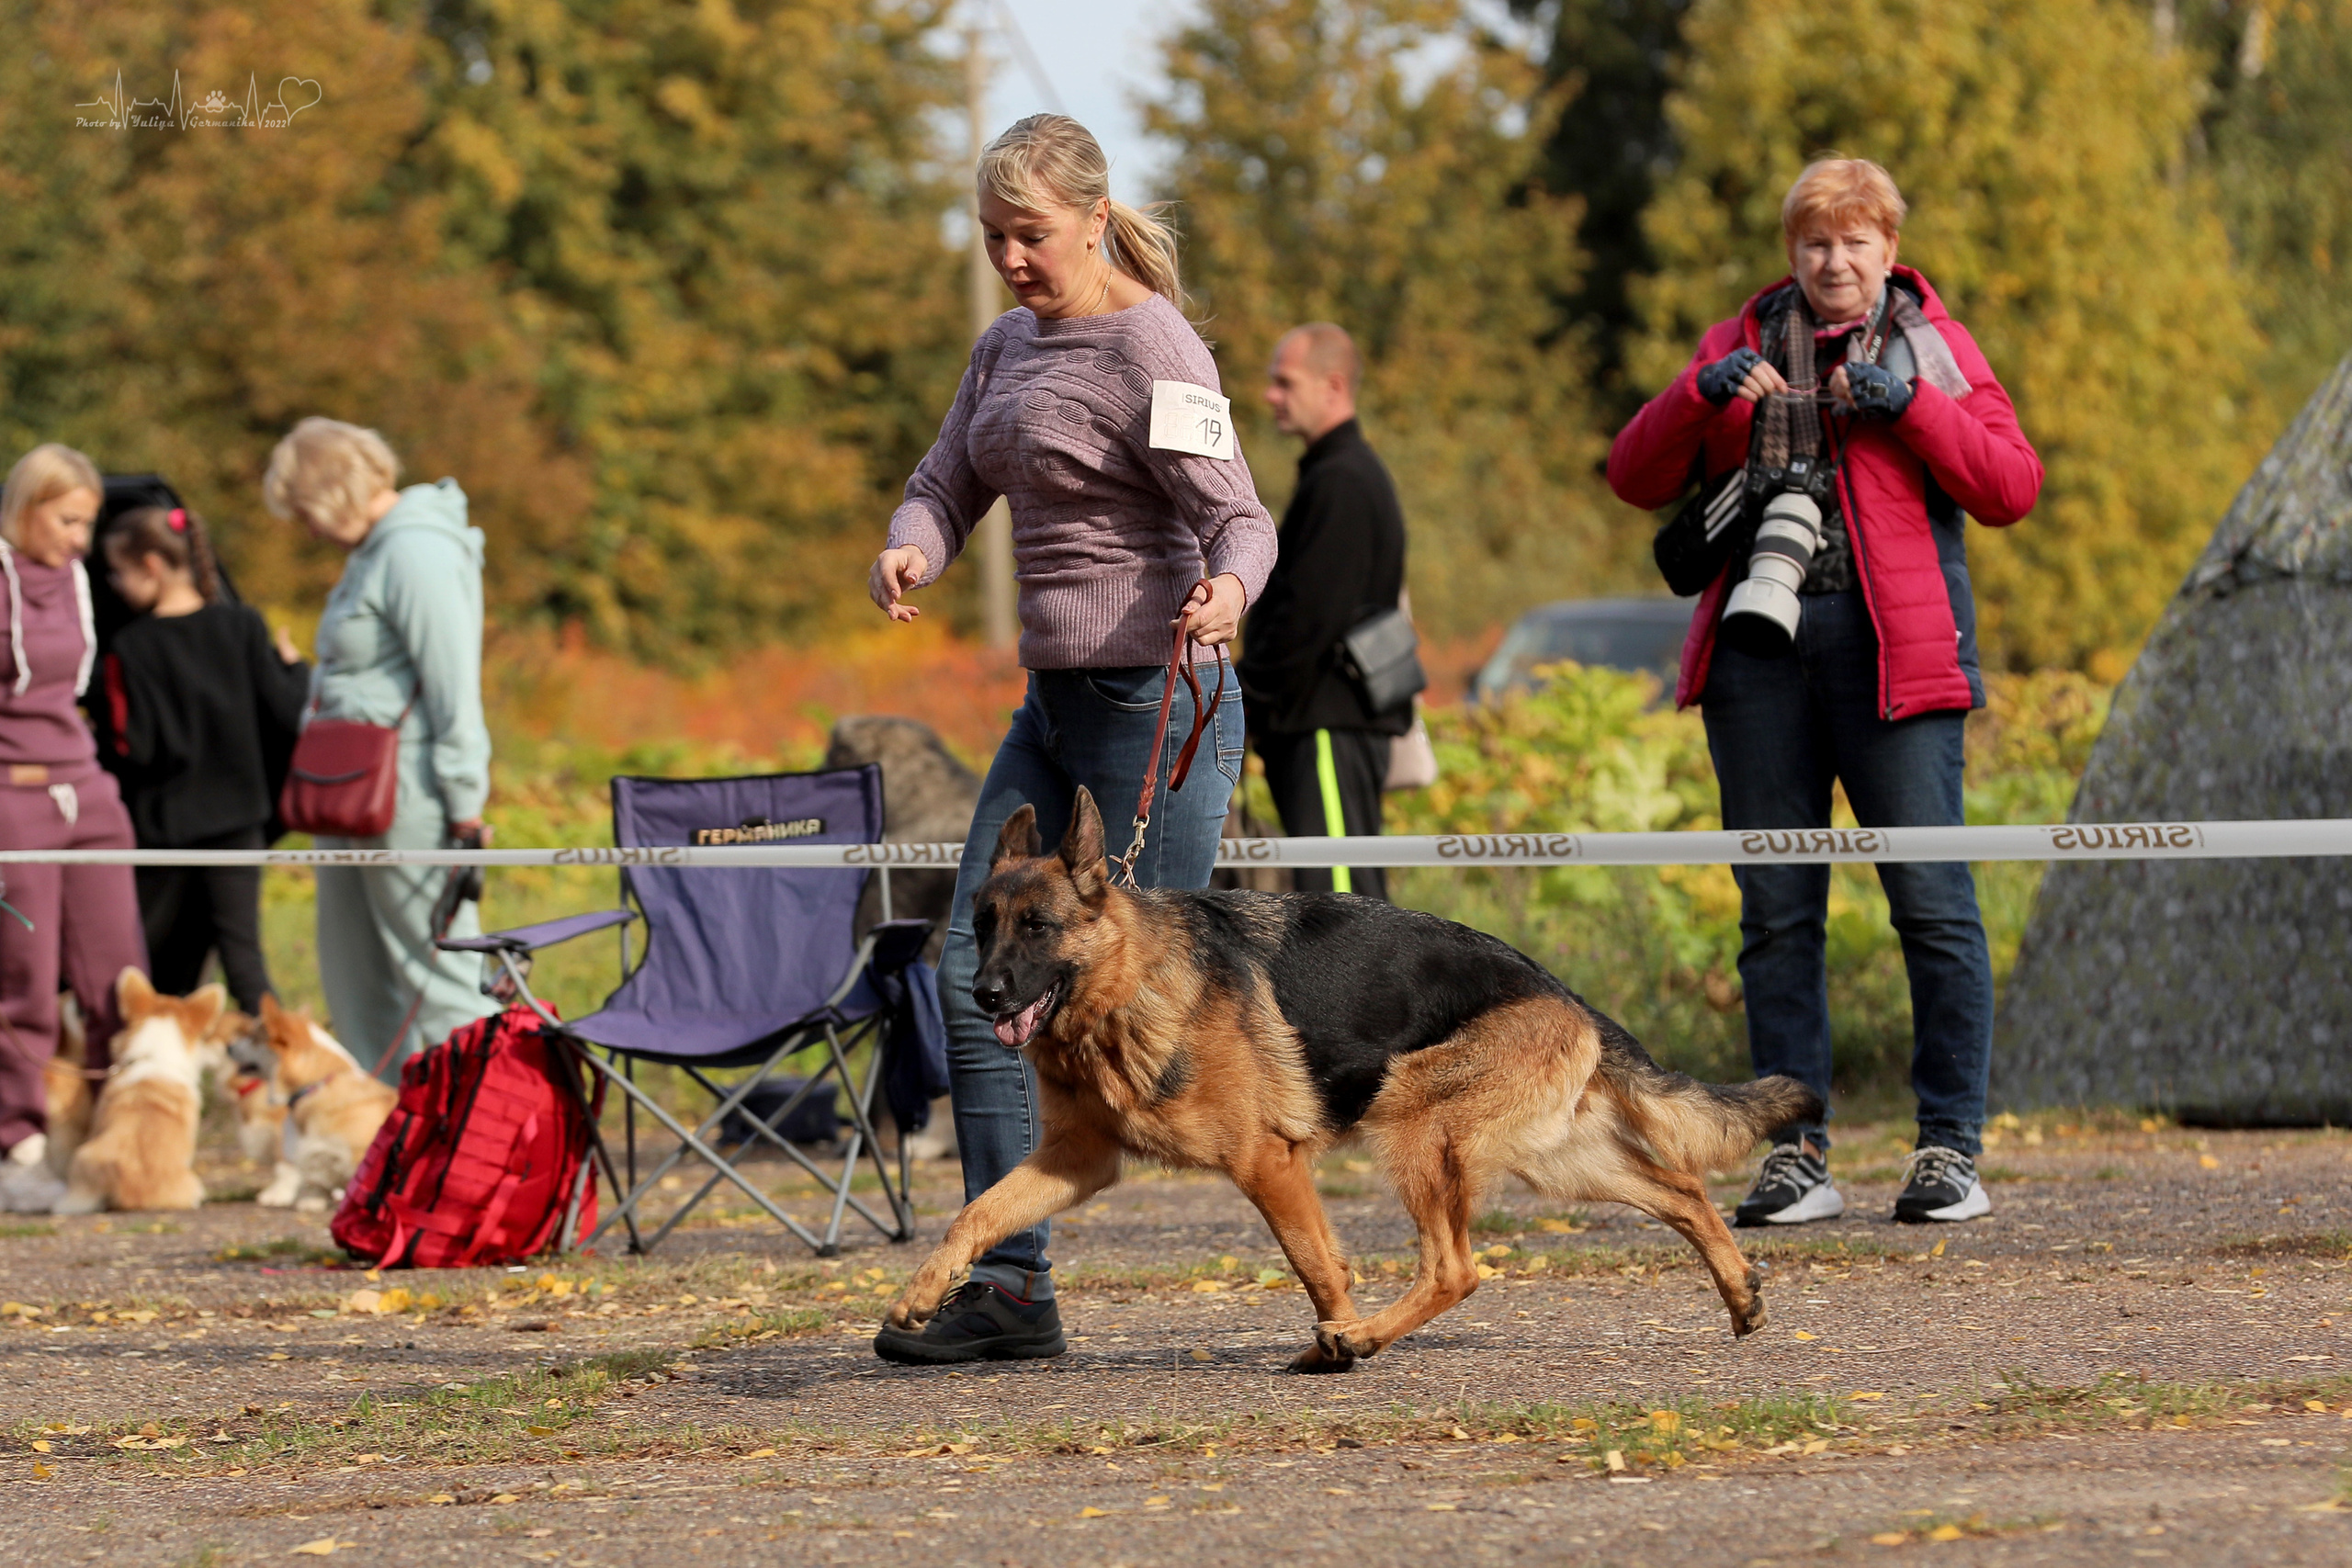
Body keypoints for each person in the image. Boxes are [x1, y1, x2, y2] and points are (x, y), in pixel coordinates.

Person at [865, 114, 1275, 1363]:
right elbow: (946, 478)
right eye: (993, 238)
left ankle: (1321, 1166)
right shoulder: (1002, 347)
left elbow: (1241, 518)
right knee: (977, 972)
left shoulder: (1155, 342)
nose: (1011, 260)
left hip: (1154, 703)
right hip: (1049, 705)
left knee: (1168, 1000)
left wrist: (1230, 592)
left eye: (1030, 235)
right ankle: (1011, 1283)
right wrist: (913, 543)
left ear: (1095, 219)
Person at [1608, 158, 2043, 1226]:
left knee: (1934, 909)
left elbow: (2009, 486)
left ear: (1888, 249)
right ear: (1790, 251)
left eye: (1854, 241)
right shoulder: (1737, 340)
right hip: (1759, 654)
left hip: (1896, 657)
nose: (1832, 260)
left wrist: (1912, 409)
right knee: (1774, 913)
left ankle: (1949, 1149)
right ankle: (1793, 1155)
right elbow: (1632, 475)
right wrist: (1693, 396)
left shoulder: (1931, 346)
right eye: (1813, 241)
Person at [261, 418, 496, 1074]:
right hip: (348, 797)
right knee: (358, 984)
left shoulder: (417, 550)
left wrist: (464, 802)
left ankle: (487, 1145)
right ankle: (390, 1143)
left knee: (441, 981)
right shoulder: (372, 553)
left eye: (305, 510)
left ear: (333, 490)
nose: (306, 530)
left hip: (410, 793)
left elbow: (453, 685)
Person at [0, 444, 149, 1213]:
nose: (80, 539)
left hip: (88, 795)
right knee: (22, 978)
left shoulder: (78, 580)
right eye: (67, 520)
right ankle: (15, 1142)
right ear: (27, 508)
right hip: (12, 795)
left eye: (88, 523)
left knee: (118, 977)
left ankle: (118, 1134)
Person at [95, 504, 311, 1012]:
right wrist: (297, 670)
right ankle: (295, 1076)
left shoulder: (130, 648)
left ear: (150, 565)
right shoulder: (243, 626)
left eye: (118, 573)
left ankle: (145, 1074)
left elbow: (132, 748)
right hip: (238, 826)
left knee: (150, 964)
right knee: (244, 964)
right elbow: (287, 713)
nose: (116, 585)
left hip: (163, 835)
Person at [1238, 322, 1410, 901]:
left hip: (1326, 726)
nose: (1270, 396)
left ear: (1333, 386)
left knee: (1343, 909)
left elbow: (1309, 618)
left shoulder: (1343, 481)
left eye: (1285, 383)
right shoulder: (1337, 475)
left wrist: (1247, 702)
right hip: (1317, 723)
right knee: (1340, 900)